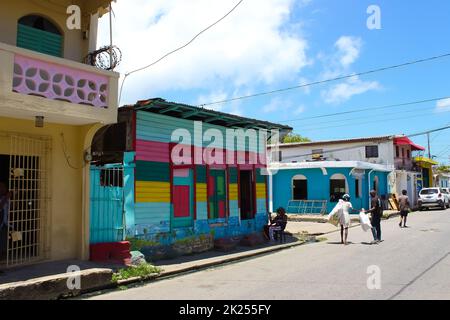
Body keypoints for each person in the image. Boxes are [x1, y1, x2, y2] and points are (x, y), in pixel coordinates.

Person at [0, 182, 11, 259]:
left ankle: (3, 255)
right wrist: (6, 198)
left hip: (5, 222)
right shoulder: (4, 197)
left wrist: (15, 196)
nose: (2, 188)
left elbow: (14, 208)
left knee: (4, 240)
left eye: (4, 187)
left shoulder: (6, 197)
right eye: (1, 187)